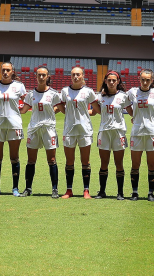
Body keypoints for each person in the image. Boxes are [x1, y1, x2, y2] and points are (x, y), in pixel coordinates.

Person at [19, 67, 65, 198]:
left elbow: (62, 109)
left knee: (51, 159)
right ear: (35, 76)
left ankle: (55, 189)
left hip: (49, 129)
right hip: (34, 129)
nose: (41, 77)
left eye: (43, 75)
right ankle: (28, 188)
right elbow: (23, 110)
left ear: (47, 76)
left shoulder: (54, 94)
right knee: (31, 160)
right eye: (39, 75)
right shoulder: (30, 94)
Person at [0, 62, 26, 196]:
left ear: (12, 71)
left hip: (14, 125)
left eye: (8, 70)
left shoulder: (19, 87)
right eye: (3, 70)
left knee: (14, 157)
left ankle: (15, 188)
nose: (5, 72)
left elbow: (29, 101)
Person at [59, 67, 100, 199]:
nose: (76, 77)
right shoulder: (65, 91)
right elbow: (61, 107)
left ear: (83, 76)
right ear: (70, 76)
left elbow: (95, 110)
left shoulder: (88, 91)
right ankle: (69, 190)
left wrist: (83, 114)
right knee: (69, 161)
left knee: (85, 161)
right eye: (73, 75)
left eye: (78, 74)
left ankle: (86, 190)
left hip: (85, 130)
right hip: (69, 130)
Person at [125, 69, 154, 201]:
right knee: (135, 163)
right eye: (143, 79)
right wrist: (133, 115)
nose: (145, 82)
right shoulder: (132, 92)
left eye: (148, 80)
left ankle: (150, 193)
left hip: (152, 132)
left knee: (151, 164)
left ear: (152, 80)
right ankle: (135, 192)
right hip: (137, 132)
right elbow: (125, 102)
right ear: (139, 79)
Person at [94, 70, 130, 200]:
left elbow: (132, 111)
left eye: (114, 80)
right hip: (104, 132)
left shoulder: (123, 96)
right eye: (109, 80)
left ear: (118, 81)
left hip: (118, 132)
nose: (111, 82)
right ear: (105, 81)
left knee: (118, 163)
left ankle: (120, 193)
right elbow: (94, 111)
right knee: (104, 163)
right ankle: (102, 191)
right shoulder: (100, 97)